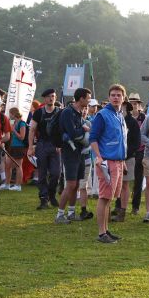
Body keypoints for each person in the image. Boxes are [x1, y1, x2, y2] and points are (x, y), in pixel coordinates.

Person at [89, 84, 127, 243]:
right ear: (109, 97)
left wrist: (123, 161)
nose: (116, 97)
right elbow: (93, 138)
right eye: (113, 95)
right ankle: (101, 233)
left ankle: (106, 230)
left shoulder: (120, 115)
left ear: (123, 98)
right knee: (104, 197)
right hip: (106, 161)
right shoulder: (102, 115)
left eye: (119, 95)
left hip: (118, 162)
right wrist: (99, 157)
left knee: (110, 198)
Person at [55, 88, 92, 224]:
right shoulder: (68, 113)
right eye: (88, 98)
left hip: (79, 152)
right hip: (70, 152)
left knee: (76, 184)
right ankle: (59, 215)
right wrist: (83, 129)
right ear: (81, 98)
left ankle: (71, 212)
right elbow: (72, 133)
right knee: (70, 184)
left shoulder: (78, 112)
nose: (89, 101)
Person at [28, 89, 61, 209]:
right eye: (48, 96)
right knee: (41, 174)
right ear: (44, 99)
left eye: (53, 96)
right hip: (42, 145)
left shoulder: (60, 112)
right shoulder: (38, 113)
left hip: (56, 146)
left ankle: (51, 195)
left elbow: (63, 130)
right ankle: (43, 198)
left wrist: (61, 145)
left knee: (56, 173)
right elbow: (32, 130)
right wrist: (30, 147)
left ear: (55, 97)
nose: (51, 98)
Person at [111, 100, 141, 222]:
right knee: (116, 184)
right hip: (114, 157)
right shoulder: (114, 120)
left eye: (123, 107)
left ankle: (122, 211)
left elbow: (136, 143)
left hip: (128, 157)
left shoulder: (132, 122)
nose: (121, 109)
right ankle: (117, 207)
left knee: (124, 185)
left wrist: (125, 155)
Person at [0, 107, 27, 192]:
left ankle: (18, 185)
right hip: (12, 147)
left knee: (18, 166)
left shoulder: (22, 123)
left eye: (10, 113)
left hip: (19, 147)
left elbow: (22, 137)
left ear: (13, 113)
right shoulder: (13, 122)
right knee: (7, 165)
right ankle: (7, 184)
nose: (9, 115)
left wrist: (13, 130)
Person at [128, 93, 146, 215]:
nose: (134, 106)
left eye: (135, 103)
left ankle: (135, 206)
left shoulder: (144, 118)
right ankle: (120, 205)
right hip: (128, 150)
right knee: (123, 181)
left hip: (140, 151)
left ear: (139, 105)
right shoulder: (126, 117)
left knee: (138, 180)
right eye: (131, 104)